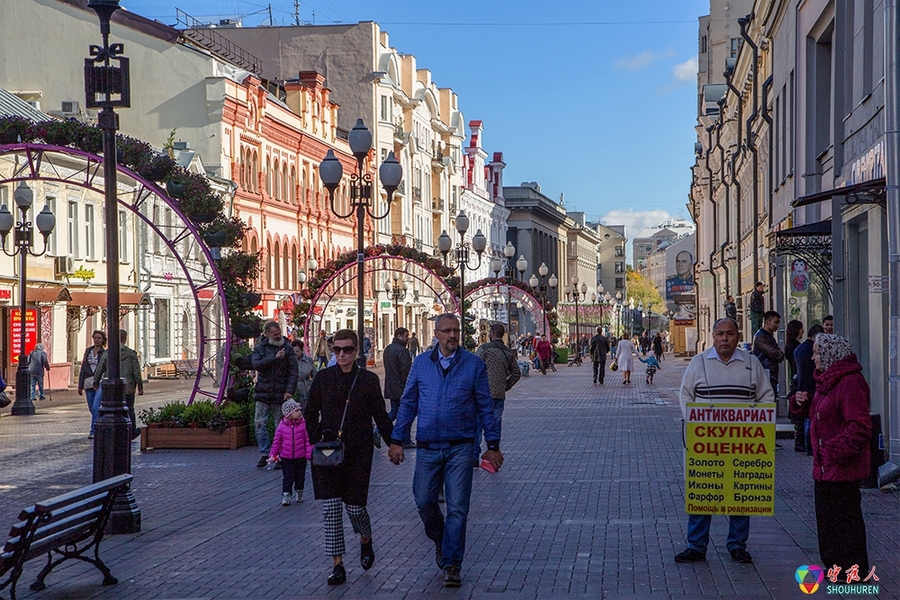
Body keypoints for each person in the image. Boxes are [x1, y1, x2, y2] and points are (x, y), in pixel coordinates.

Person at [389, 313, 503, 588]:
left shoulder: (473, 364)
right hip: (427, 447)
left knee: (457, 508)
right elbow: (408, 403)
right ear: (436, 334)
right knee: (424, 501)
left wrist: (493, 445)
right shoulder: (420, 364)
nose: (452, 335)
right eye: (447, 331)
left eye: (456, 330)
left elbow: (485, 406)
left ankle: (452, 563)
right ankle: (442, 539)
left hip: (461, 447)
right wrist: (397, 438)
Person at [674, 317, 774, 565]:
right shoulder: (698, 363)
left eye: (730, 334)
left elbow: (766, 396)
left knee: (741, 492)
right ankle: (696, 545)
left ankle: (737, 545)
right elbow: (686, 395)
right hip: (706, 445)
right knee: (703, 491)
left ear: (738, 337)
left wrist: (753, 423)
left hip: (742, 444)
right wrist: (698, 422)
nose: (725, 339)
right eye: (720, 334)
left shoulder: (751, 363)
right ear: (713, 336)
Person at [306, 329, 394, 586]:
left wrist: (393, 443)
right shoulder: (323, 378)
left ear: (357, 351)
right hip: (328, 452)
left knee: (355, 508)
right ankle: (338, 565)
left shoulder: (366, 380)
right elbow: (310, 411)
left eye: (347, 350)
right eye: (337, 350)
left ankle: (365, 539)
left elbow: (380, 413)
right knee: (331, 509)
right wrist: (316, 438)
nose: (342, 354)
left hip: (358, 451)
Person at [799, 334, 872, 573]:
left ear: (831, 355)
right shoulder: (826, 381)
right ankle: (835, 567)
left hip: (841, 466)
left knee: (845, 521)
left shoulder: (849, 382)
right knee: (828, 521)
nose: (813, 357)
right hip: (825, 467)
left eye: (818, 352)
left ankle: (852, 571)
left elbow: (859, 425)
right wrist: (799, 402)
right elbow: (818, 415)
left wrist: (832, 450)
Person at [251, 322, 299, 468]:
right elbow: (256, 365)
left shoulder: (288, 348)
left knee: (281, 426)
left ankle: (278, 455)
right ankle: (265, 453)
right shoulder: (260, 348)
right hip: (263, 393)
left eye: (279, 333)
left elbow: (293, 371)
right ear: (267, 334)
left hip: (280, 393)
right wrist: (274, 358)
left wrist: (289, 391)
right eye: (274, 334)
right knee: (259, 423)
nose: (278, 336)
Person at [474, 323, 520, 464]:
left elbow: (474, 367)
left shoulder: (484, 349)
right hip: (499, 394)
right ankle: (494, 453)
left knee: (477, 424)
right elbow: (516, 373)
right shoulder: (507, 352)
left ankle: (474, 456)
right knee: (495, 424)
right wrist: (506, 385)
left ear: (492, 333)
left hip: (482, 394)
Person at [93, 329, 144, 441]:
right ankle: (131, 431)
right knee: (129, 409)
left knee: (110, 409)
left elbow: (99, 369)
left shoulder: (107, 353)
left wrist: (96, 381)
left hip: (111, 387)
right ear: (125, 339)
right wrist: (139, 385)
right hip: (128, 387)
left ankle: (112, 431)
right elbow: (136, 371)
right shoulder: (131, 354)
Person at [267, 399, 313, 506]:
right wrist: (273, 455)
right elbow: (276, 442)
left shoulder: (303, 425)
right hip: (286, 457)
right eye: (297, 411)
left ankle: (299, 490)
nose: (300, 413)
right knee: (287, 477)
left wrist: (309, 453)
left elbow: (307, 440)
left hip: (300, 457)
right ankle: (286, 494)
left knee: (300, 477)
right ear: (289, 414)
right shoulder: (282, 427)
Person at [790, 324, 824, 453]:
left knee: (805, 416)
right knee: (810, 417)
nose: (813, 357)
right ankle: (809, 444)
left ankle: (803, 442)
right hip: (811, 384)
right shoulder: (810, 349)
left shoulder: (799, 348)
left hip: (801, 383)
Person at [382, 327, 413, 448]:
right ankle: (404, 438)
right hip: (402, 387)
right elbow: (406, 370)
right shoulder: (402, 351)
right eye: (406, 335)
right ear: (399, 336)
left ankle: (381, 430)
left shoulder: (388, 349)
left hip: (391, 385)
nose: (408, 338)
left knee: (395, 412)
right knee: (405, 413)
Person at [77, 330, 107, 439]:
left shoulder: (104, 353)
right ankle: (100, 425)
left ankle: (93, 431)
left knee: (95, 406)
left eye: (99, 338)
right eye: (95, 338)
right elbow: (83, 368)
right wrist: (80, 386)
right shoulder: (88, 351)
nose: (97, 340)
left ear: (103, 340)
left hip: (99, 383)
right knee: (91, 407)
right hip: (88, 382)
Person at [752, 310, 785, 397]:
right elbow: (774, 353)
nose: (777, 325)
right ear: (767, 322)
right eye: (775, 322)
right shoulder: (760, 337)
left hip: (770, 373)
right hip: (765, 373)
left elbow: (778, 354)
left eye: (778, 323)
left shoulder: (769, 336)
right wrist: (779, 354)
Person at [290, 339, 316, 411]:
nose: (295, 353)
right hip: (293, 389)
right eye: (293, 351)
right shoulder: (290, 361)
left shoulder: (308, 360)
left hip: (306, 388)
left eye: (297, 351)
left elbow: (315, 374)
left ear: (302, 350)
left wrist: (312, 385)